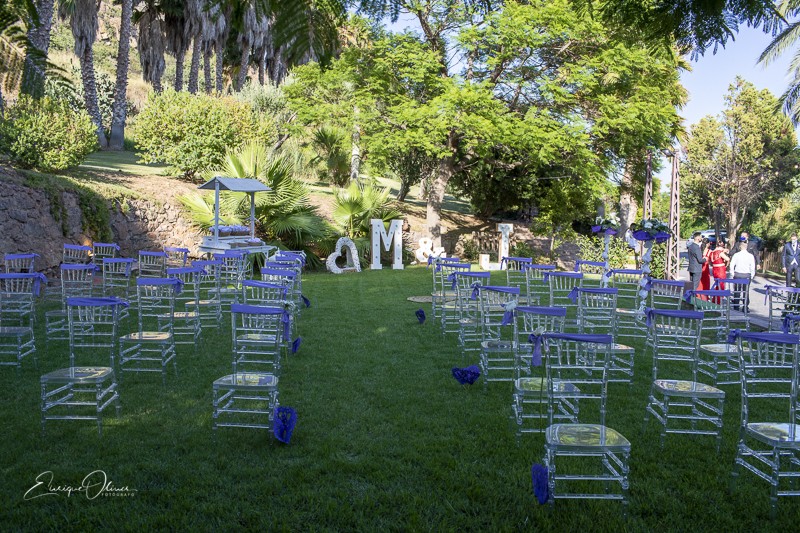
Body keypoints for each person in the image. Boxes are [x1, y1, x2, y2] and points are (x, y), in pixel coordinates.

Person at [729, 241, 756, 311]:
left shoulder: (736, 255)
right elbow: (752, 267)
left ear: (740, 247)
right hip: (747, 275)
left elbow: (731, 265)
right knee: (746, 291)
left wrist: (732, 273)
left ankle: (736, 306)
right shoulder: (750, 256)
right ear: (746, 247)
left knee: (737, 291)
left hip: (738, 274)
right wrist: (752, 275)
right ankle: (745, 307)